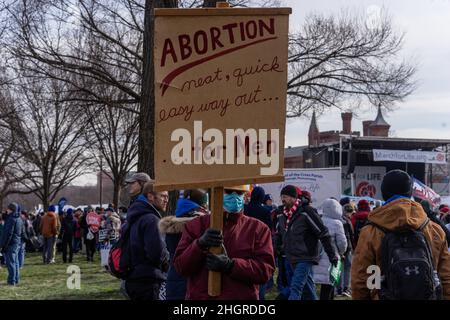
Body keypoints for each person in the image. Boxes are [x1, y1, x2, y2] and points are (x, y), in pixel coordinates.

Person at [351, 170, 450, 300]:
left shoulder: (370, 231)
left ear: (384, 193)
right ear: (410, 193)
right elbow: (446, 277)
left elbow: (362, 278)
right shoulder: (434, 230)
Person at [174, 185, 275, 300]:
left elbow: (265, 271)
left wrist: (231, 266)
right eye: (229, 191)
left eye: (239, 193)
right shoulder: (195, 226)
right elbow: (181, 267)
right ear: (215, 193)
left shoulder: (258, 229)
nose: (234, 196)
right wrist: (199, 245)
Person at [275, 185, 338, 301]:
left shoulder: (306, 212)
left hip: (306, 256)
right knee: (307, 290)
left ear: (294, 198)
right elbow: (279, 234)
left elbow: (323, 233)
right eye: (281, 197)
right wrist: (277, 248)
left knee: (296, 287)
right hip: (291, 257)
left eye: (285, 197)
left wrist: (332, 255)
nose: (282, 199)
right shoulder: (282, 215)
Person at [122, 180, 169, 300]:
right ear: (150, 196)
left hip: (133, 277)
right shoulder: (151, 219)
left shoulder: (134, 216)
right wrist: (167, 261)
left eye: (167, 196)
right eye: (163, 196)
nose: (166, 200)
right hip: (148, 281)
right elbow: (156, 254)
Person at [159, 189, 209, 300]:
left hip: (174, 280)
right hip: (195, 282)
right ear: (203, 204)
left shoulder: (172, 224)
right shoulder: (201, 225)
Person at [313, 199, 347, 300]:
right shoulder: (337, 223)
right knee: (329, 286)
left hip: (316, 256)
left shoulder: (318, 220)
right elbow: (342, 243)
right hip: (332, 257)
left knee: (313, 286)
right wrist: (341, 253)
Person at [0, 203, 24, 285]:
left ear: (11, 209)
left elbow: (8, 233)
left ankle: (11, 281)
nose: (7, 210)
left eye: (8, 208)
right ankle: (16, 279)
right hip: (17, 243)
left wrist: (3, 245)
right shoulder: (19, 218)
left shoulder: (11, 219)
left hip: (11, 244)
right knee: (16, 262)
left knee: (11, 263)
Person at [338, 203, 355, 297]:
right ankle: (346, 288)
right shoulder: (347, 221)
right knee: (347, 268)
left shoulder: (338, 220)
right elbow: (351, 235)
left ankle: (339, 289)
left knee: (339, 269)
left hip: (338, 248)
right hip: (347, 247)